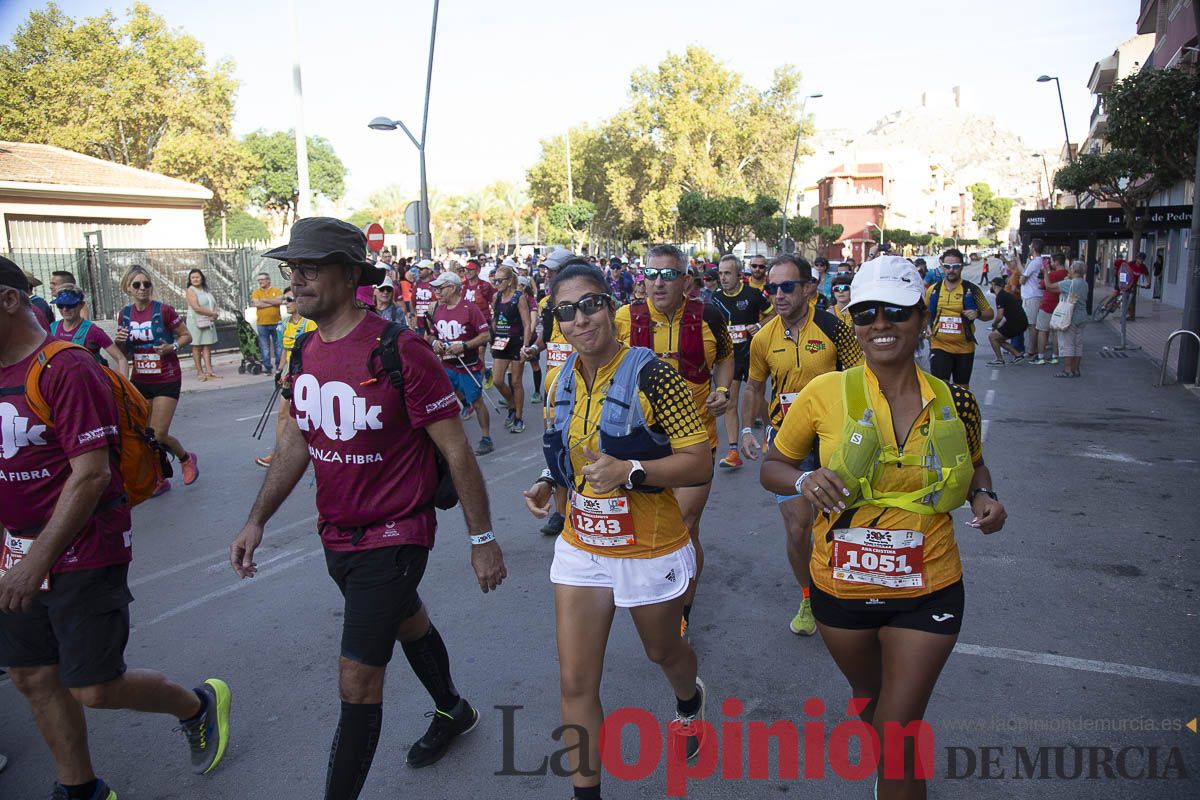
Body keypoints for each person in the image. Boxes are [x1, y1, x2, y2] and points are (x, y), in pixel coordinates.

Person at [230, 217, 506, 800]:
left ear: (349, 273)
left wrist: (482, 541)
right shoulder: (305, 348)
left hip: (396, 535)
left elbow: (456, 449)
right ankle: (453, 710)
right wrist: (257, 519)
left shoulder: (398, 348)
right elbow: (297, 441)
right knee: (407, 621)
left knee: (357, 682)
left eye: (309, 267)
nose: (295, 279)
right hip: (339, 536)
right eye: (291, 268)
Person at [760, 255, 1006, 800]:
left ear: (920, 318)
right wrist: (803, 483)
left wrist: (985, 495)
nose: (880, 324)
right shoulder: (824, 394)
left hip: (929, 586)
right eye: (867, 312)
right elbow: (772, 466)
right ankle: (890, 772)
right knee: (871, 698)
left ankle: (894, 778)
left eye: (895, 312)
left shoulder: (955, 401)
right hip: (842, 587)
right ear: (853, 321)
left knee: (898, 728)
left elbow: (973, 464)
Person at [0, 259, 231, 800]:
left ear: (8, 301)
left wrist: (36, 562)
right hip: (16, 549)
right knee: (32, 676)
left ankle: (197, 705)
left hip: (84, 545)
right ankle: (80, 789)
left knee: (94, 686)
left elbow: (91, 475)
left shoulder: (65, 368)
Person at [522, 261, 711, 800]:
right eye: (566, 311)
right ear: (556, 321)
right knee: (576, 681)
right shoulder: (560, 381)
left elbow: (699, 462)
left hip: (649, 548)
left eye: (590, 305)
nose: (580, 320)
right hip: (582, 546)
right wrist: (544, 481)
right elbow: (568, 453)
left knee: (664, 654)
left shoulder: (653, 373)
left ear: (611, 306)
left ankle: (689, 699)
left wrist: (634, 471)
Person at [739, 254, 863, 636]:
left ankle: (848, 587)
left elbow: (862, 377)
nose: (777, 295)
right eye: (771, 288)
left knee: (839, 520)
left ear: (809, 288)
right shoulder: (763, 337)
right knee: (798, 527)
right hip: (786, 439)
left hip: (831, 439)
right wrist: (747, 430)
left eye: (786, 286)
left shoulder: (834, 328)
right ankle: (809, 595)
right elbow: (756, 387)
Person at [615, 244, 732, 637]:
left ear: (686, 280)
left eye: (668, 275)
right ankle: (654, 590)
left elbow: (727, 358)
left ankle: (682, 609)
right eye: (651, 274)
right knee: (643, 528)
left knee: (684, 524)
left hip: (694, 442)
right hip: (639, 445)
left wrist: (725, 390)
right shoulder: (622, 318)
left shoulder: (710, 315)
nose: (658, 283)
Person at [114, 265, 198, 495]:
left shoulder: (164, 310)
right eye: (137, 285)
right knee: (143, 435)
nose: (143, 289)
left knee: (157, 434)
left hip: (166, 377)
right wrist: (120, 340)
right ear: (128, 289)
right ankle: (159, 479)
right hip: (140, 380)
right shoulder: (125, 314)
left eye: (146, 284)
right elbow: (124, 351)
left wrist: (171, 347)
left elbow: (186, 335)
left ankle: (185, 458)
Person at [526, 249, 578, 537]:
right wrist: (534, 348)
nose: (547, 274)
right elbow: (545, 338)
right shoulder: (546, 304)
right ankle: (561, 512)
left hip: (583, 388)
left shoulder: (586, 304)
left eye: (553, 270)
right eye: (546, 270)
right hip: (553, 391)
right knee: (556, 450)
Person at [709, 254, 773, 471]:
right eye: (720, 273)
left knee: (757, 397)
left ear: (739, 274)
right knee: (730, 401)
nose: (723, 278)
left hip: (753, 354)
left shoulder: (752, 294)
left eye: (728, 273)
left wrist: (759, 325)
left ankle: (769, 430)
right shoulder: (715, 299)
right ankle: (734, 450)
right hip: (730, 358)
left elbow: (773, 313)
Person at [428, 271, 494, 455]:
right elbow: (431, 334)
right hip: (446, 365)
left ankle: (486, 437)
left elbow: (485, 335)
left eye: (441, 288)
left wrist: (464, 346)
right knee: (446, 401)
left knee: (477, 401)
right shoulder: (438, 309)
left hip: (468, 366)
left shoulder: (469, 309)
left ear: (454, 288)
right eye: (436, 289)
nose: (437, 293)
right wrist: (435, 343)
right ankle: (452, 439)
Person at [256, 293, 317, 468]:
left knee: (308, 415)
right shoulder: (283, 324)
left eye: (290, 300)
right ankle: (279, 454)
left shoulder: (310, 323)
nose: (286, 304)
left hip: (305, 372)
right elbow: (284, 350)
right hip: (289, 371)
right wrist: (280, 371)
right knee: (283, 413)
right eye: (284, 300)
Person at [925, 248, 993, 387]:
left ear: (961, 266)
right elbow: (924, 313)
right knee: (940, 387)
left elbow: (989, 313)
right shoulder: (933, 290)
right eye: (947, 266)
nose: (951, 270)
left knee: (961, 389)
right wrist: (925, 328)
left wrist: (978, 314)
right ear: (942, 266)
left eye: (955, 267)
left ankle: (959, 409)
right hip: (939, 345)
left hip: (964, 348)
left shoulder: (972, 290)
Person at [490, 263, 532, 434]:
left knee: (516, 381)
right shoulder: (496, 297)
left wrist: (525, 346)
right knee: (497, 380)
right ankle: (511, 405)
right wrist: (493, 335)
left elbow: (527, 323)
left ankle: (519, 417)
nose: (496, 283)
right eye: (495, 280)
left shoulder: (518, 297)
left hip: (516, 341)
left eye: (499, 280)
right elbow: (495, 317)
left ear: (508, 281)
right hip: (500, 342)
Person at [50, 284, 127, 373]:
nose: (65, 309)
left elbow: (121, 358)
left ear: (81, 305)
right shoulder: (52, 328)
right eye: (60, 305)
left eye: (70, 305)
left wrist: (124, 385)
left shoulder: (92, 331)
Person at [1052, 260, 1089, 378]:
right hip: (1082, 315)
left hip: (1070, 316)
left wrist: (1045, 271)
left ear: (1074, 270)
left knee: (1068, 343)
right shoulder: (1084, 283)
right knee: (1078, 344)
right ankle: (1076, 369)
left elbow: (1049, 287)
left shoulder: (1070, 283)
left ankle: (1067, 370)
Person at [184, 268, 221, 381]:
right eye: (193, 277)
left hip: (208, 321)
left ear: (202, 278)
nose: (195, 279)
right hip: (196, 322)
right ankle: (200, 372)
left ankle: (210, 371)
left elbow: (213, 303)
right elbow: (196, 308)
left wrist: (214, 314)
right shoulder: (191, 290)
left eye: (197, 277)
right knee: (197, 346)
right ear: (190, 279)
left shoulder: (205, 290)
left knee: (207, 346)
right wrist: (213, 313)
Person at [1032, 253, 1068, 365]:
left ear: (1056, 262)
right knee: (1056, 333)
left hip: (1047, 305)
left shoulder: (1052, 275)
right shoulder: (1067, 274)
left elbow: (1041, 285)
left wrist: (1046, 272)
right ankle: (1054, 357)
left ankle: (1041, 356)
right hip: (1061, 306)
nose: (1051, 263)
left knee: (1042, 331)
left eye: (1052, 261)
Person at [986, 277, 1028, 365]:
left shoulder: (1000, 296)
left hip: (1016, 323)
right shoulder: (1006, 295)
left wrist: (994, 324)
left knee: (992, 337)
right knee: (998, 338)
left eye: (991, 285)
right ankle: (1017, 355)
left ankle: (999, 360)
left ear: (994, 285)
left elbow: (1000, 316)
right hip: (1021, 322)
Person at [251, 272, 285, 374]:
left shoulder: (277, 290)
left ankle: (279, 367)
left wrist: (265, 300)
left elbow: (279, 301)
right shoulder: (256, 292)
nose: (260, 282)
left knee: (278, 345)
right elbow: (257, 304)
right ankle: (268, 368)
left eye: (262, 279)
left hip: (276, 322)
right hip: (262, 323)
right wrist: (272, 302)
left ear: (268, 280)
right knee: (265, 347)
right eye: (259, 280)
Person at [1017, 239, 1046, 356]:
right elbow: (1025, 273)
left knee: (1032, 325)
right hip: (1036, 295)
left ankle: (1031, 350)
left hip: (1032, 297)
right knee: (1034, 324)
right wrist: (1019, 261)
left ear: (1033, 248)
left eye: (1030, 247)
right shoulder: (1040, 261)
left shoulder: (1034, 263)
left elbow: (1022, 279)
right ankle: (1034, 349)